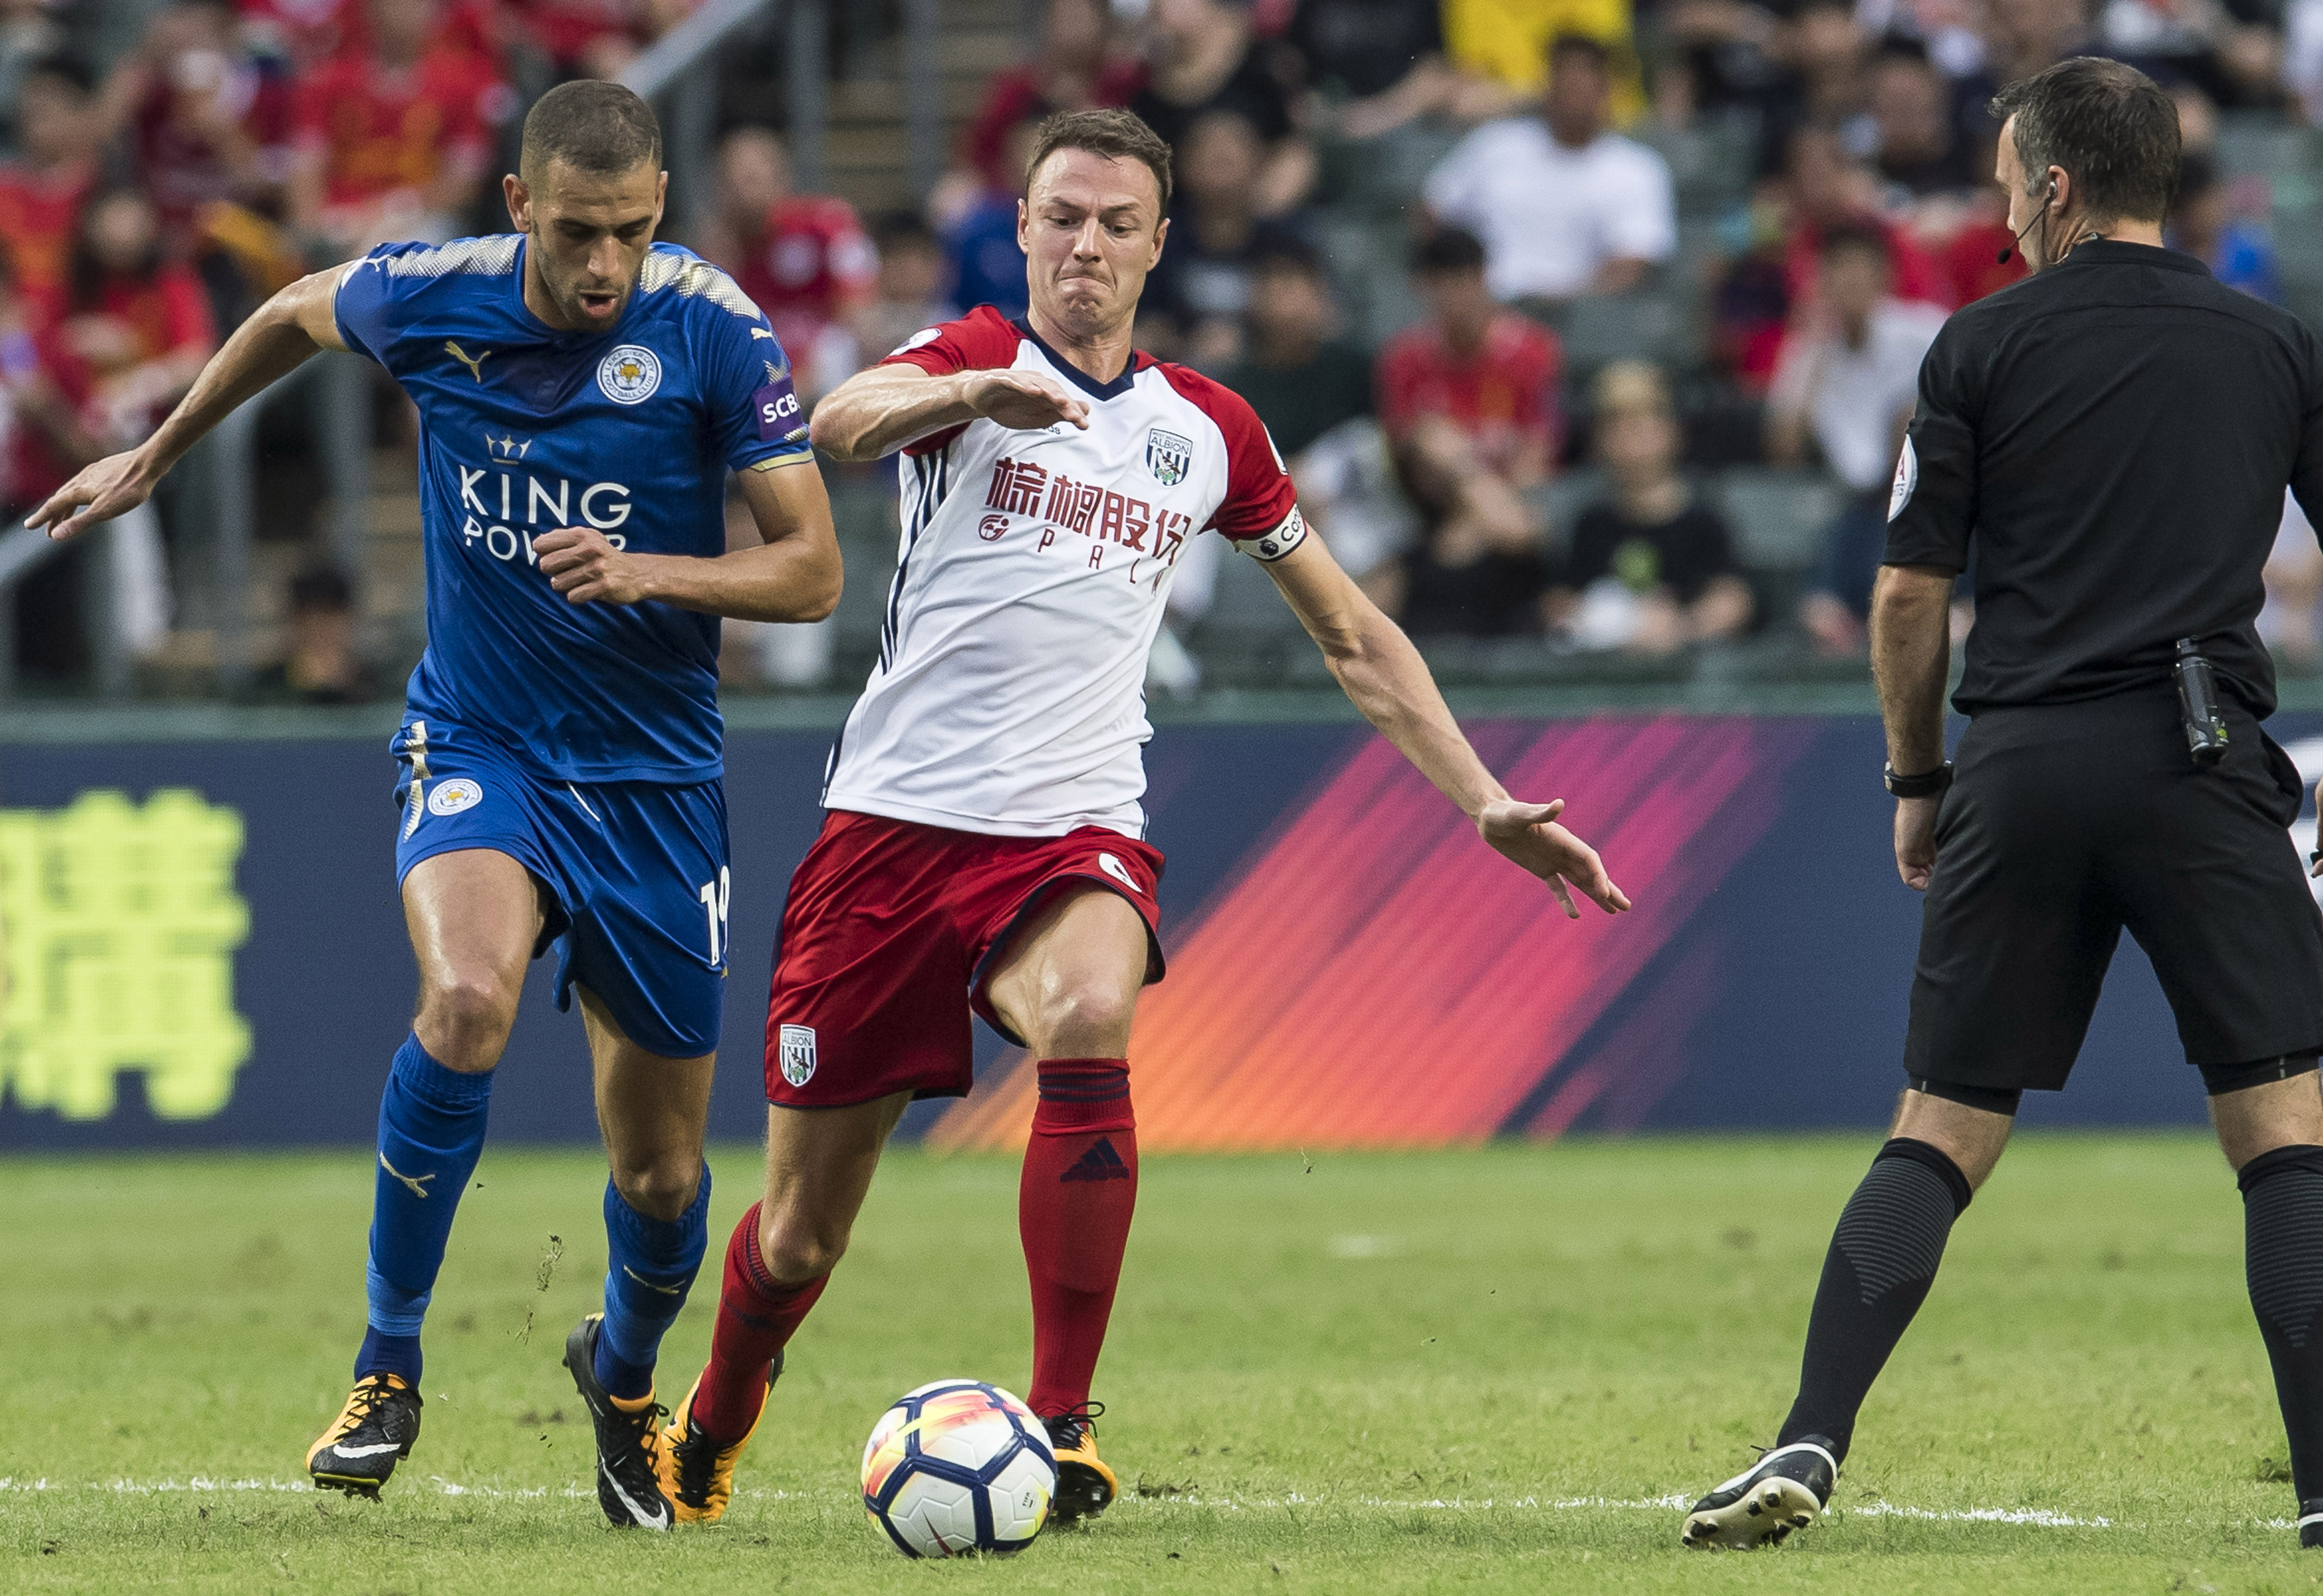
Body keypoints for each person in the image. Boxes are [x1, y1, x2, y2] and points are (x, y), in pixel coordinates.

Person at [649, 106, 1627, 1532]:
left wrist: (1483, 799)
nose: (1087, 246)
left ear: (1160, 244)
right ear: (1025, 230)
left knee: (1094, 1010)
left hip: (1073, 826)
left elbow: (1351, 633)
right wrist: (969, 403)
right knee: (800, 1233)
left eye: (1116, 224)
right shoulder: (974, 356)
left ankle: (1059, 1422)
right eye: (1062, 218)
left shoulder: (1208, 433)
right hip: (893, 830)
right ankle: (717, 1416)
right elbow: (844, 419)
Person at [28, 79, 844, 1530]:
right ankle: (386, 1366)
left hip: (656, 779)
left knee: (660, 1178)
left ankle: (627, 1379)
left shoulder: (711, 325)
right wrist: (158, 457)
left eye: (636, 234)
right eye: (582, 233)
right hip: (483, 736)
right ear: (522, 207)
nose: (608, 268)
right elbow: (290, 311)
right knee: (463, 1000)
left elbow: (813, 572)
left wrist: (660, 572)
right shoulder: (433, 295)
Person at [1681, 58, 2323, 1551]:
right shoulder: (2276, 347)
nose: (1995, 213)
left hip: (2025, 764)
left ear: (2055, 185)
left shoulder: (1976, 347)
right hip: (2203, 752)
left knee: (1944, 1125)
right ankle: (2320, 1488)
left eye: (2001, 185)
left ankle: (1808, 1439)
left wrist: (1920, 781)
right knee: (2286, 1132)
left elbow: (1909, 595)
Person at [1769, 226, 1949, 653]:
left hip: (1928, 488)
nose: (1850, 284)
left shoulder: (1924, 331)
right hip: (1851, 502)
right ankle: (1836, 615)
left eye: (1861, 272)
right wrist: (1813, 352)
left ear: (1883, 277)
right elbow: (1784, 452)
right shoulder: (1807, 349)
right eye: (1838, 272)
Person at [1421, 33, 1674, 305]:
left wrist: (1566, 303)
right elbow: (1432, 212)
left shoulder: (1637, 168)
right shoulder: (1495, 144)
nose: (1572, 96)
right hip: (1489, 318)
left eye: (1581, 85)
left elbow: (1633, 260)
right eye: (1564, 83)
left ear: (1604, 90)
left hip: (1582, 323)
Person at [285, 0, 506, 260]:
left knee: (392, 251)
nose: (408, 12)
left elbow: (464, 181)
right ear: (370, 10)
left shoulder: (463, 83)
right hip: (337, 218)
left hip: (420, 219)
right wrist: (310, 230)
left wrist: (393, 211)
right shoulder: (328, 80)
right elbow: (307, 163)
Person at [1555, 360, 1751, 652]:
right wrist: (1616, 625)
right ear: (1598, 441)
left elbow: (1734, 598)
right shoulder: (1591, 523)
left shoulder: (1701, 520)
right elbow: (1558, 600)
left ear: (1672, 432)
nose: (1629, 437)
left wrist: (1681, 627)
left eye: (1641, 423)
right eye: (1615, 426)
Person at [1375, 226, 1560, 489]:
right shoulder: (1403, 359)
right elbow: (1402, 453)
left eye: (1463, 282)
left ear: (1484, 279)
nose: (1454, 298)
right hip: (1432, 500)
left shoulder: (1533, 351)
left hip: (1516, 494)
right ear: (1422, 288)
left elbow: (1539, 451)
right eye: (1441, 285)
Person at [1131, 0, 1314, 216]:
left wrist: (1265, 208)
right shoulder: (1145, 90)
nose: (1168, 9)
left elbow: (1294, 150)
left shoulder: (1262, 63)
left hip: (1260, 217)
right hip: (1185, 222)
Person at [0, 54, 99, 316]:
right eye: (31, 109)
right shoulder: (4, 189)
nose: (37, 112)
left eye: (51, 105)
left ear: (85, 115)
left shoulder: (105, 194)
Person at [252, 562, 381, 703]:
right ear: (295, 622)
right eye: (311, 620)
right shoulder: (266, 689)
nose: (322, 630)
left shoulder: (376, 686)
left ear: (348, 620)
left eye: (331, 617)